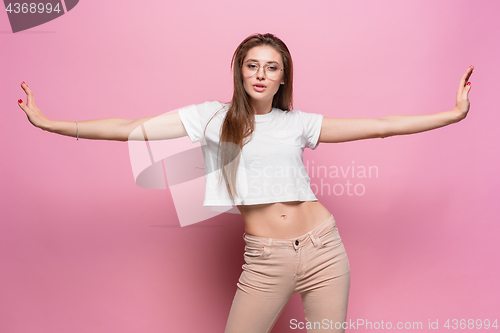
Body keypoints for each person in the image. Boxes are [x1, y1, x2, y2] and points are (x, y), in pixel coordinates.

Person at [17, 33, 473, 333]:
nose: (260, 74)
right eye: (252, 65)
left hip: (324, 249)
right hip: (265, 260)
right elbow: (128, 126)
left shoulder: (297, 123)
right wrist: (51, 123)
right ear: (239, 71)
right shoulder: (209, 117)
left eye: (271, 67)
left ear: (282, 78)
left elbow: (380, 125)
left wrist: (452, 114)